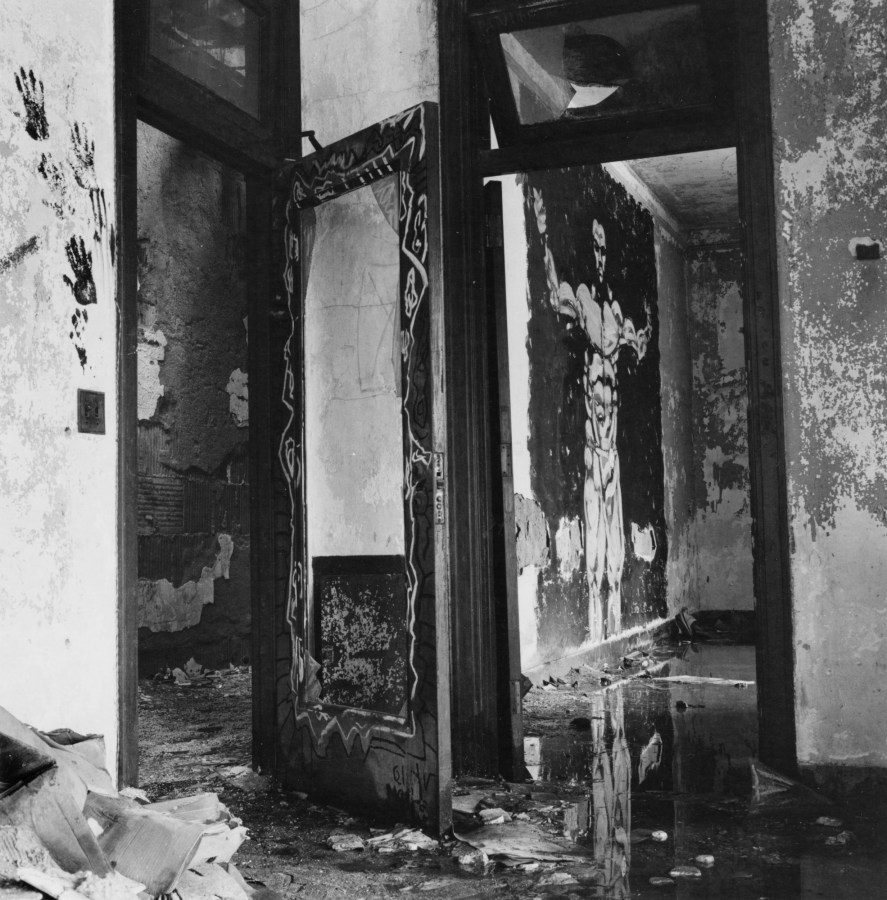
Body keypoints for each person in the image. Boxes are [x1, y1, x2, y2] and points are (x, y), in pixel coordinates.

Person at [532, 186, 651, 642]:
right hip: (589, 440)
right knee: (595, 544)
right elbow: (552, 289)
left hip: (612, 443)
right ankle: (594, 633)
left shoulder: (616, 315)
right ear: (590, 250)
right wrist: (543, 233)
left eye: (605, 248)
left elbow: (637, 345)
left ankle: (612, 631)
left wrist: (644, 325)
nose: (600, 255)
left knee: (614, 547)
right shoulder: (583, 302)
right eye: (596, 247)